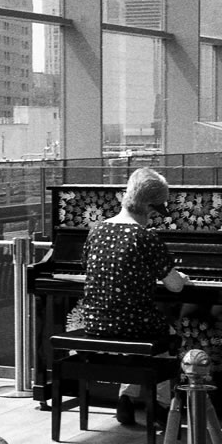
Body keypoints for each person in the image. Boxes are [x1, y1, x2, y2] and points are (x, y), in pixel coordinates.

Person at [81, 167, 189, 427]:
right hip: (132, 325)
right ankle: (162, 407)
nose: (155, 218)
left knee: (133, 330)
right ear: (149, 207)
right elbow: (174, 287)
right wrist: (182, 277)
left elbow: (88, 269)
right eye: (156, 211)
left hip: (95, 324)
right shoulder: (145, 237)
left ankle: (126, 400)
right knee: (166, 337)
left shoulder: (97, 230)